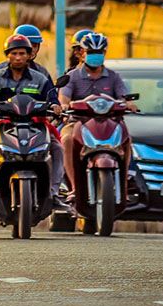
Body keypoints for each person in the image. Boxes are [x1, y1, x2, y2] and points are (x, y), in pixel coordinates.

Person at [0, 34, 66, 211]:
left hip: (36, 124)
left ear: (29, 55)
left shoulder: (40, 78)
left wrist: (56, 105)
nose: (18, 57)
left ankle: (54, 192)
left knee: (57, 148)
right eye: (14, 53)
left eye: (22, 53)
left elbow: (52, 97)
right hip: (4, 123)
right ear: (7, 55)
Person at [58, 32, 135, 199]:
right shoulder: (72, 76)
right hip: (78, 123)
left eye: (99, 52)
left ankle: (124, 184)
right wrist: (64, 105)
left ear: (105, 53)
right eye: (91, 52)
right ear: (82, 53)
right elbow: (64, 97)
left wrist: (128, 104)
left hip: (108, 124)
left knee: (127, 138)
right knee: (66, 140)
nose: (95, 56)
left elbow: (123, 97)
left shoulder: (114, 77)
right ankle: (74, 187)